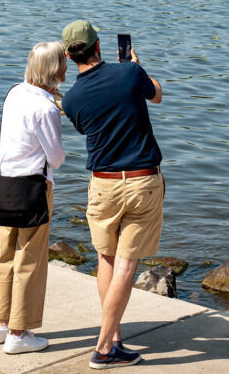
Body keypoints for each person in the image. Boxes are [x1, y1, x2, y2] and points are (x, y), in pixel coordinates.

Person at [60, 20, 164, 370]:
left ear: (68, 55)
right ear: (99, 45)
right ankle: (104, 348)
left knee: (105, 258)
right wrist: (136, 64)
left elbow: (87, 125)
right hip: (141, 182)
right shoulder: (129, 73)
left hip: (102, 185)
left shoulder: (71, 99)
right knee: (126, 263)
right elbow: (157, 93)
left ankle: (115, 337)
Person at [0, 41, 67, 354]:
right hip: (33, 190)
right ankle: (19, 334)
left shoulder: (14, 92)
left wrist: (55, 99)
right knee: (30, 261)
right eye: (62, 62)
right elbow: (57, 159)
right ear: (53, 70)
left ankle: (0, 325)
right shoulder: (46, 109)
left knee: (6, 257)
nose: (66, 67)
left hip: (4, 186)